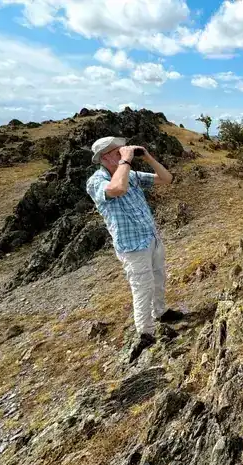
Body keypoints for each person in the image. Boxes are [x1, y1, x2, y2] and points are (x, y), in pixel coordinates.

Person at [86, 136, 183, 362]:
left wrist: (147, 157)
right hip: (132, 246)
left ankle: (160, 312)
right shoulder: (96, 180)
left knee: (159, 277)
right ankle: (145, 333)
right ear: (107, 156)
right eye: (119, 149)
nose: (125, 150)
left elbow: (167, 179)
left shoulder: (132, 175)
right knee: (142, 288)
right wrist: (126, 161)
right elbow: (117, 188)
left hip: (151, 238)